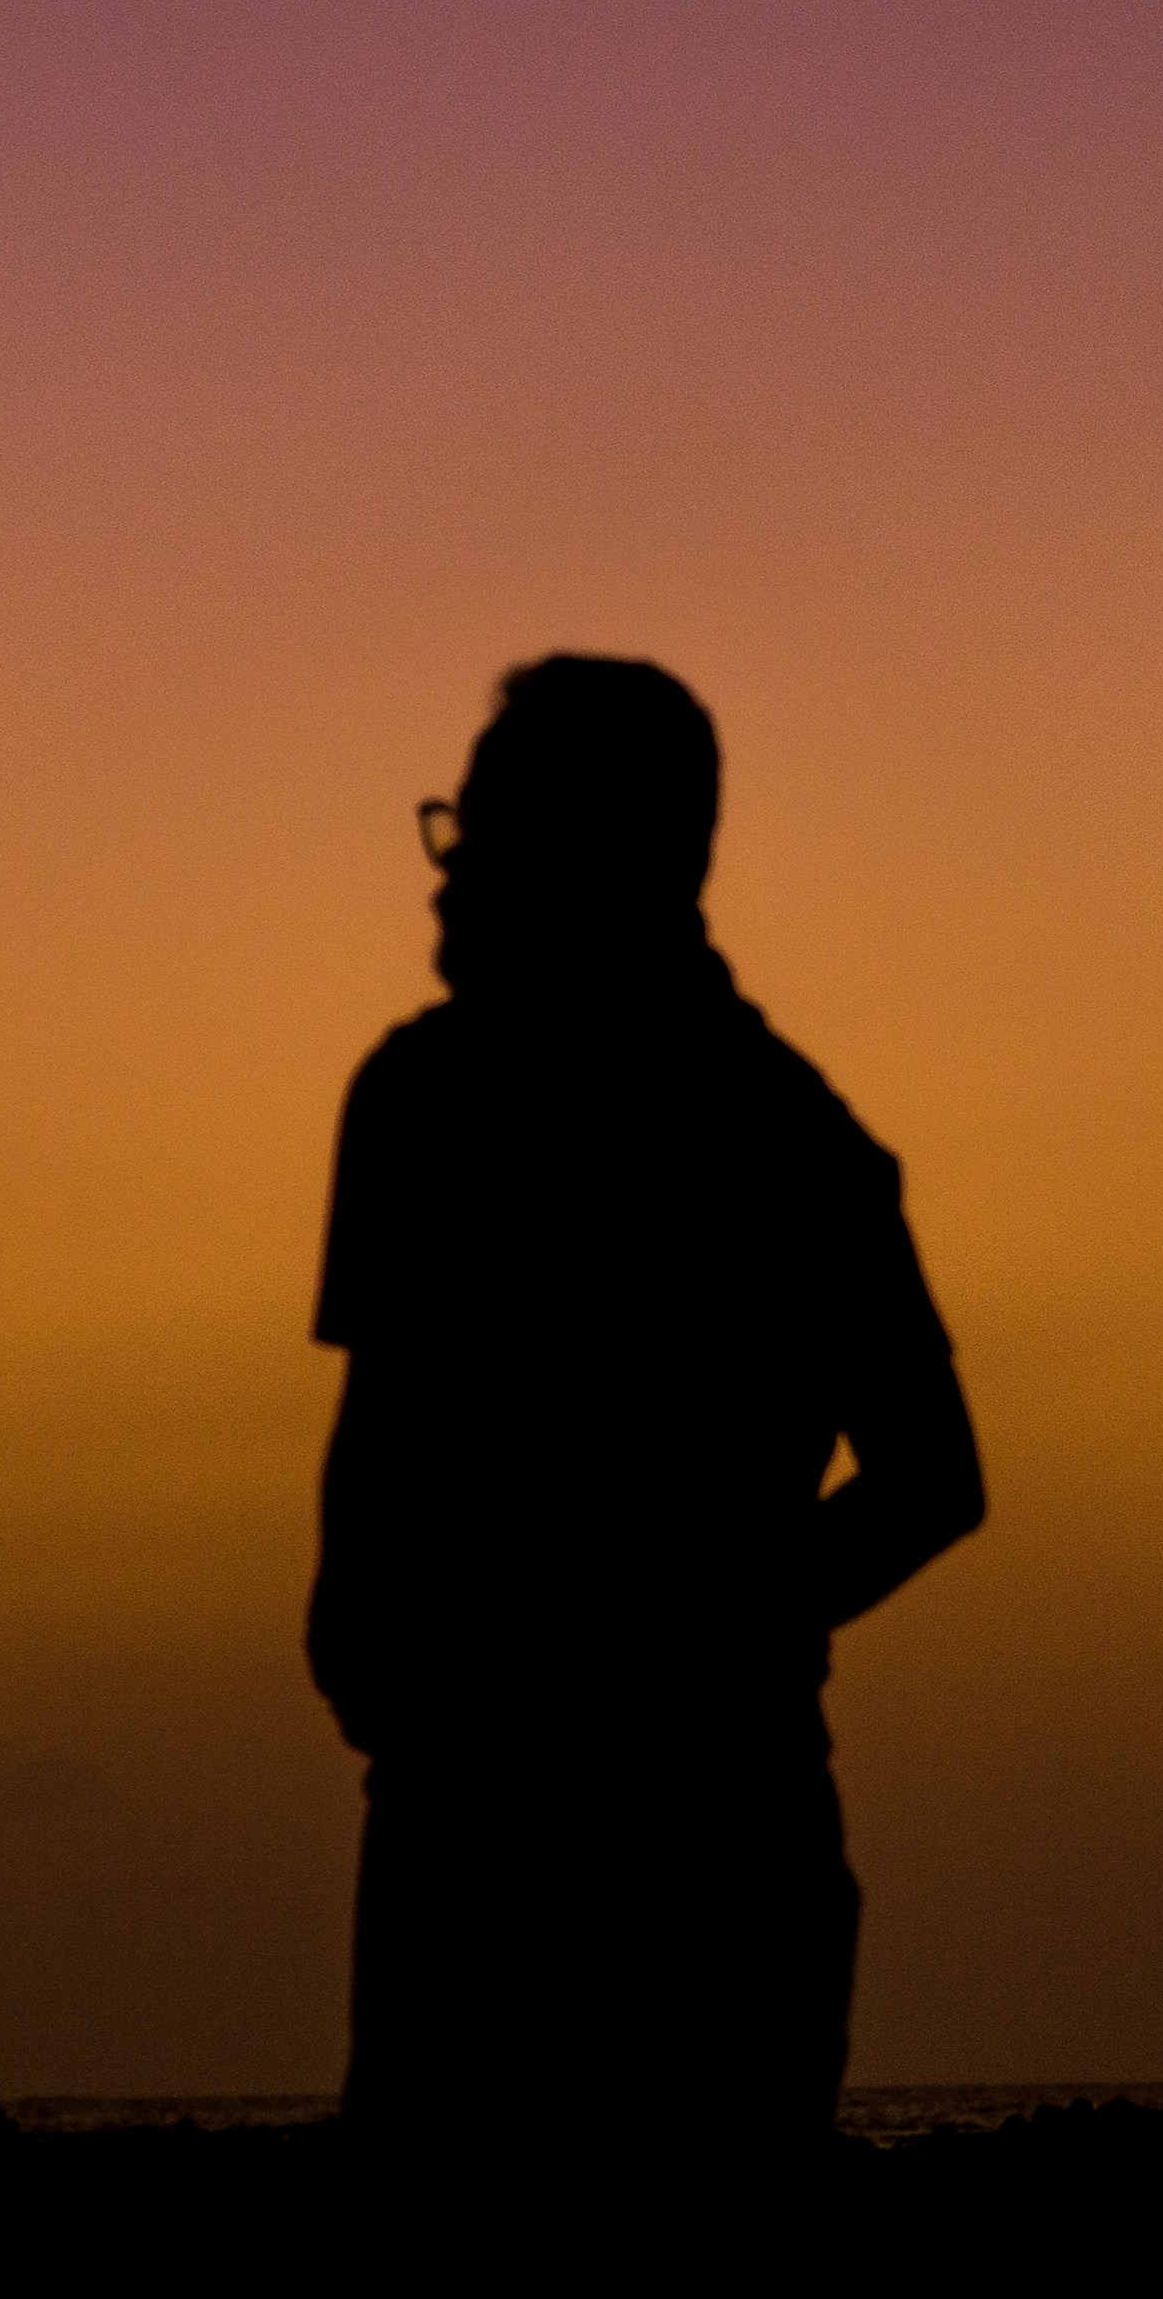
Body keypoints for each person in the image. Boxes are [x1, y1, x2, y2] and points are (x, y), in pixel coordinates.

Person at [310, 654, 985, 2170]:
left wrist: (687, 1632)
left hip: (684, 1856)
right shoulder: (432, 1101)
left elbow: (937, 1475)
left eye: (482, 831)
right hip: (493, 1832)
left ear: (595, 852)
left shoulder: (774, 1141)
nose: (447, 872)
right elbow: (380, 1429)